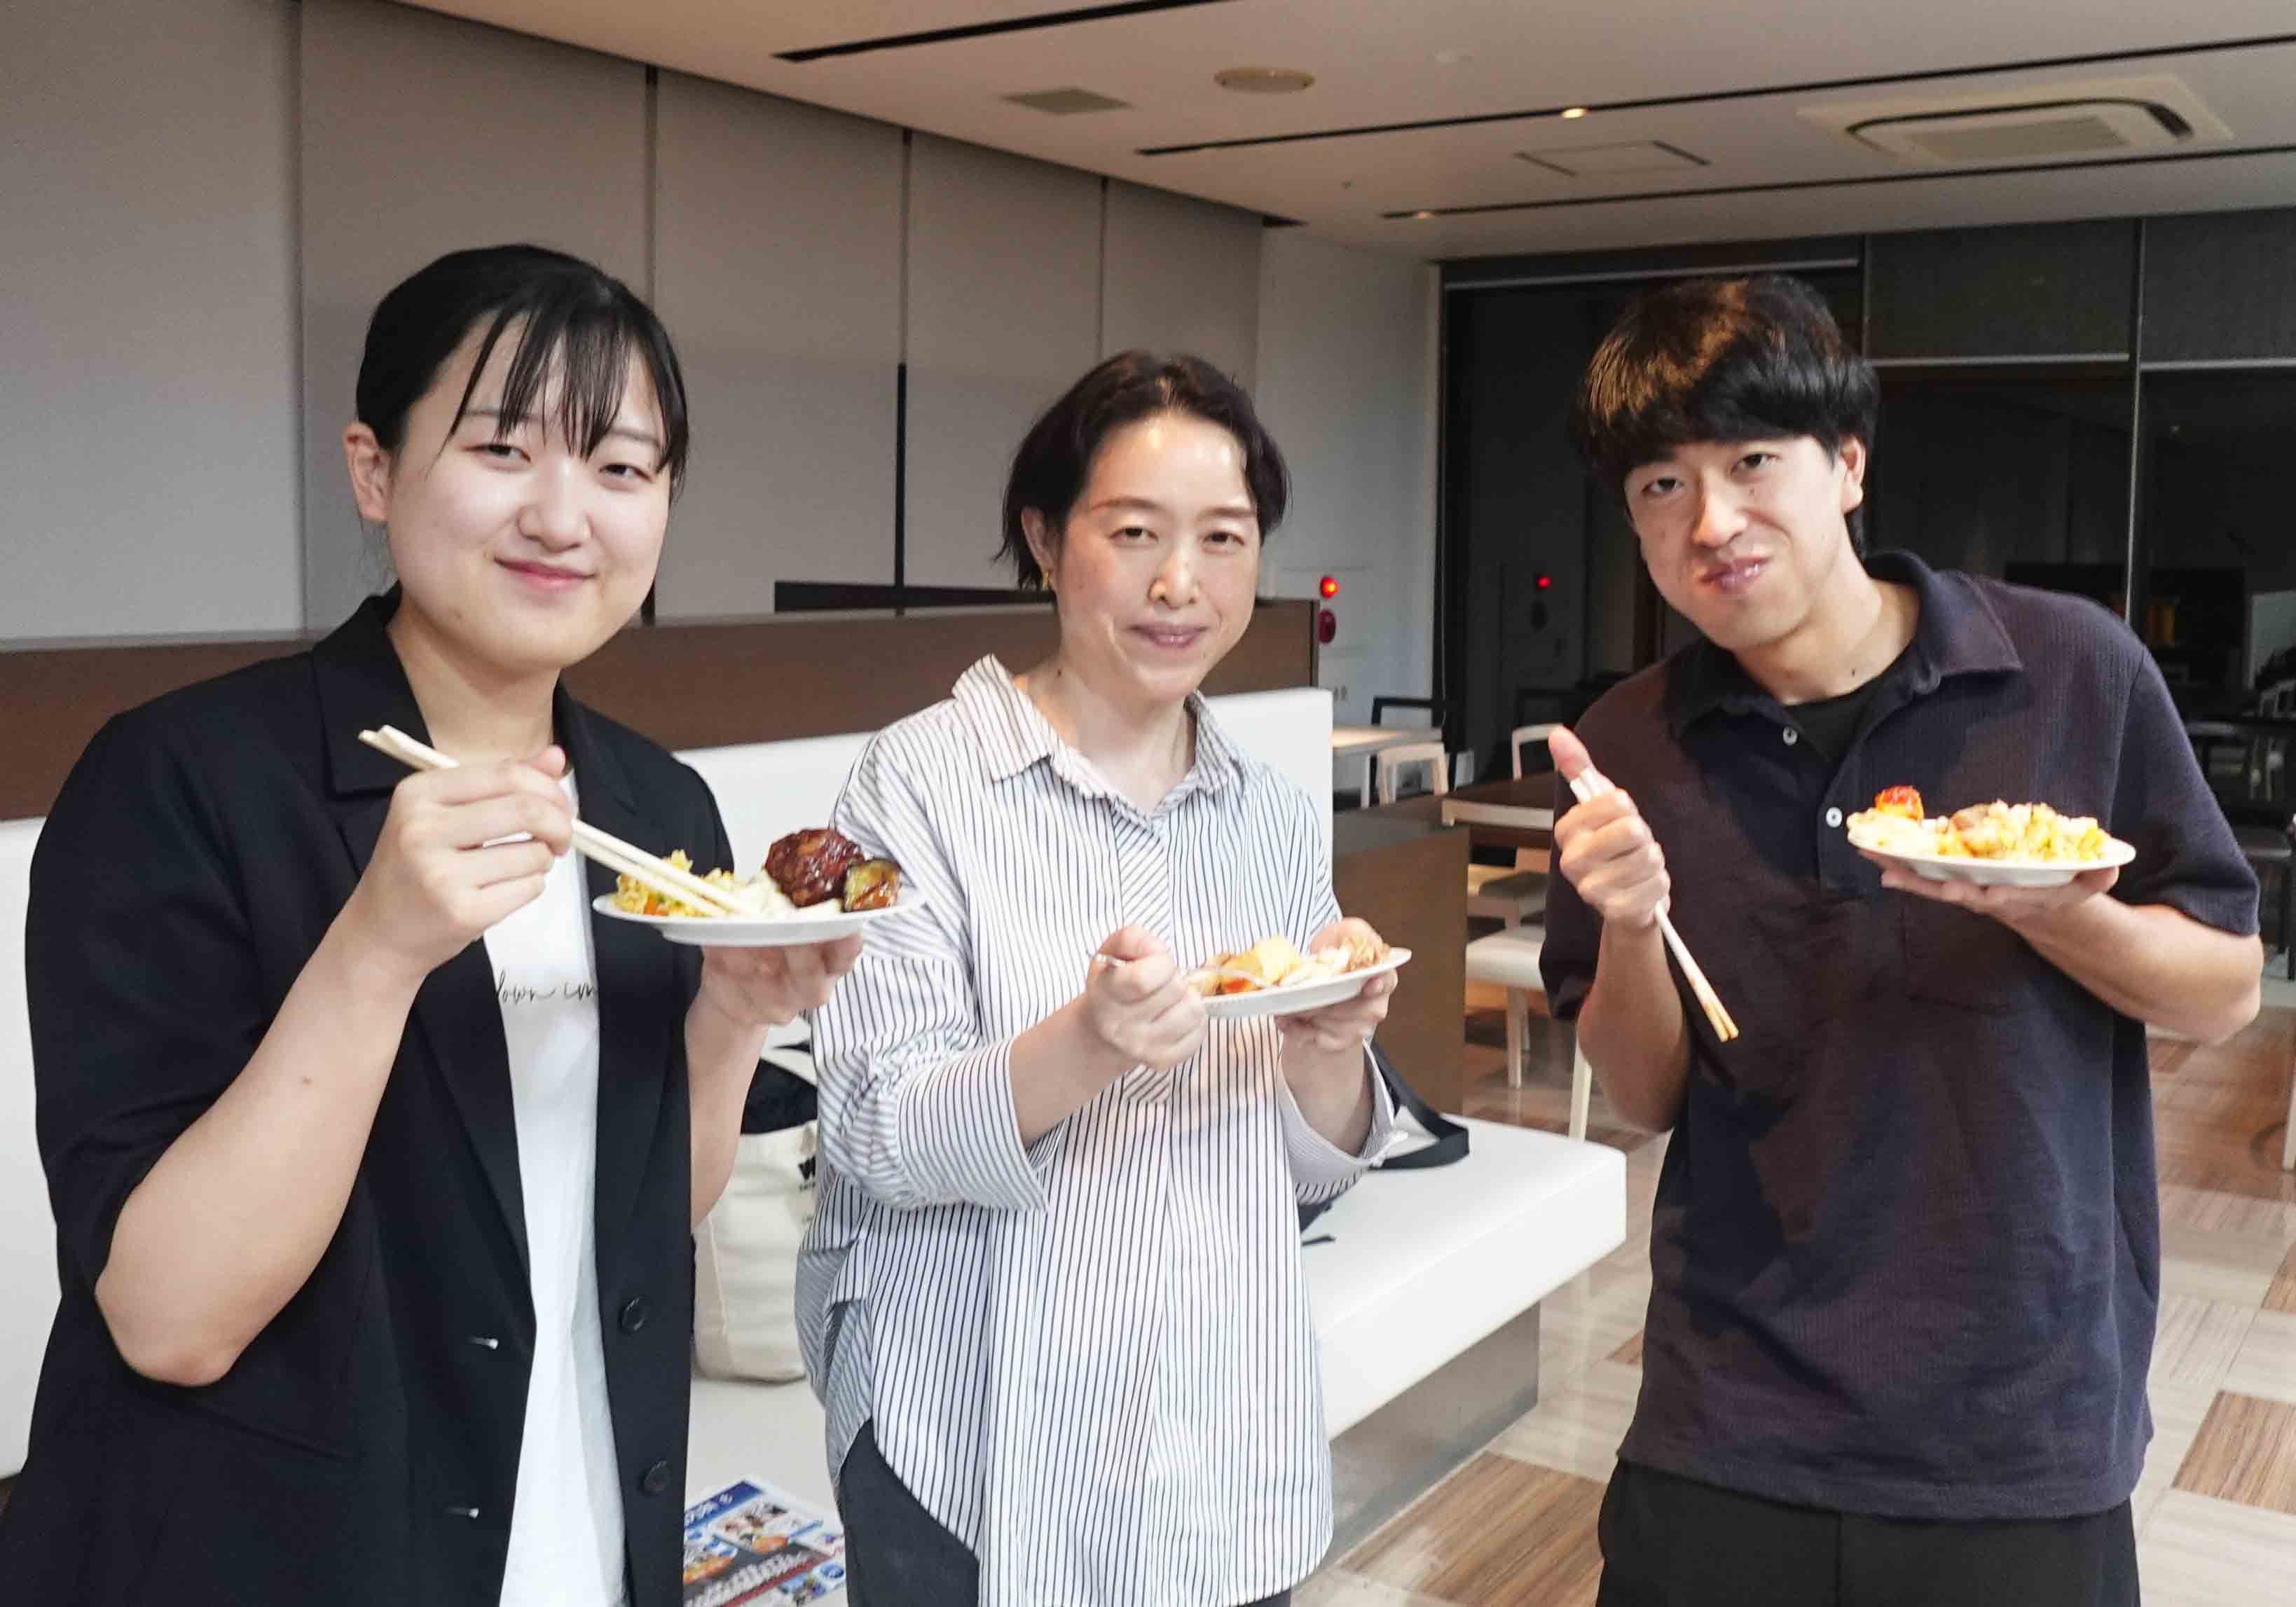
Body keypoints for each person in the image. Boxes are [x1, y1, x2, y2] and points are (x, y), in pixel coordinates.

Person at [0, 244, 860, 1606]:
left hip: (584, 1537)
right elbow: (169, 1319)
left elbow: (648, 1210)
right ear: (374, 468)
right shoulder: (184, 782)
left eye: (620, 466)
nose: (562, 516)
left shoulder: (656, 806)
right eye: (502, 447)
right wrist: (377, 948)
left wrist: (737, 1016)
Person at [1539, 275, 2262, 1607]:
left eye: (1752, 462)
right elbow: (1643, 1095)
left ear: (1849, 465)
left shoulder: (2069, 670)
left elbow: (2221, 991)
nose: (1711, 521)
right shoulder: (1629, 741)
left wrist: (2059, 910)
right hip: (1724, 1414)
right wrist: (1631, 925)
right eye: (1660, 486)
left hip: (2017, 1422)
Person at [797, 352, 1400, 1607]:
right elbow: (869, 1127)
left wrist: (1329, 1050)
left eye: (1223, 537)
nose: (1181, 583)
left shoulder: (1271, 813)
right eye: (1134, 533)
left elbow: (1309, 1174)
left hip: (1219, 1448)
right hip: (970, 1447)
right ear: (1044, 537)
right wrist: (1084, 1043)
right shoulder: (916, 783)